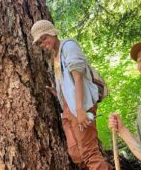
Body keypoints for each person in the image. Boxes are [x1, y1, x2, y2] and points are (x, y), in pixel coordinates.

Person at [31, 20, 111, 169]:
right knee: (76, 155)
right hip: (68, 110)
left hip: (81, 106)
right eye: (39, 42)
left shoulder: (68, 46)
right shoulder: (55, 56)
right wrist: (58, 94)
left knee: (89, 153)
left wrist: (81, 110)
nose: (43, 43)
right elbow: (67, 84)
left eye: (44, 37)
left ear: (53, 32)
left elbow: (78, 77)